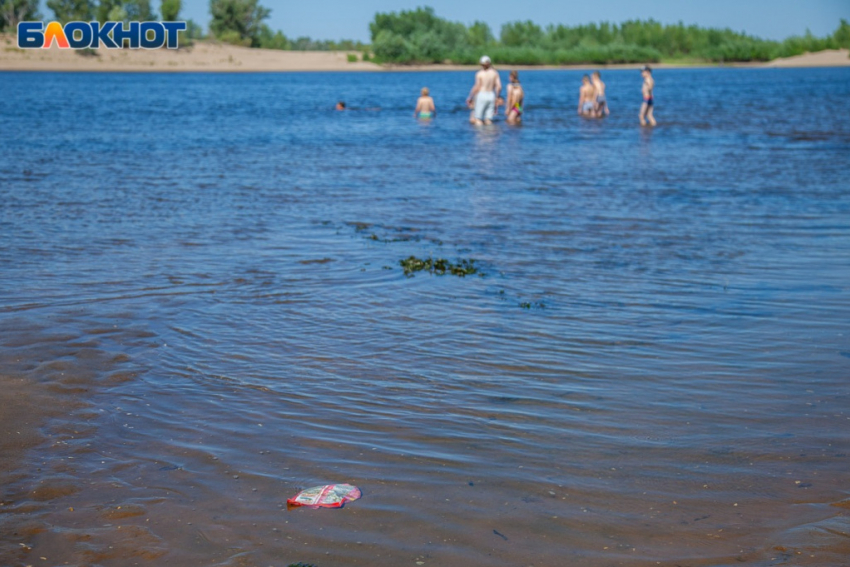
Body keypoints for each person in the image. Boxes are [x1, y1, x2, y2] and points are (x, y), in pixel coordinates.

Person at [467, 55, 502, 125]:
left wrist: (470, 97)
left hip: (482, 95)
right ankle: (489, 134)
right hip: (491, 95)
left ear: (481, 64)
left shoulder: (479, 73)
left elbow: (477, 87)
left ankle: (480, 134)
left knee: (478, 119)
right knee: (488, 120)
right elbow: (499, 87)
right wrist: (497, 97)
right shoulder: (495, 73)